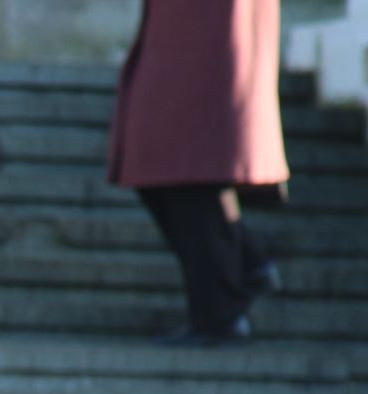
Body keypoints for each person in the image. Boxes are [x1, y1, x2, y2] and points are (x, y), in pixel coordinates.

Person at [108, 0, 289, 346]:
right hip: (187, 24)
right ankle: (245, 265)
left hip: (209, 28)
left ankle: (222, 309)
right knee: (165, 157)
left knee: (185, 160)